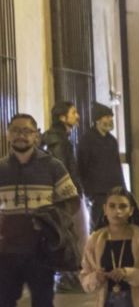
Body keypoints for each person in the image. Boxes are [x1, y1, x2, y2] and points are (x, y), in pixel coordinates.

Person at [0, 114, 81, 307]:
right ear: (9, 135)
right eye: (16, 131)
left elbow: (71, 201)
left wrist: (53, 223)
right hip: (7, 252)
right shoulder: (1, 169)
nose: (21, 135)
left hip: (41, 251)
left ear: (36, 135)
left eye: (27, 131)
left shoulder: (52, 166)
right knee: (2, 305)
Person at [42, 101, 83, 294]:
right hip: (58, 199)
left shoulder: (61, 138)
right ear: (62, 117)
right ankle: (65, 277)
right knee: (63, 235)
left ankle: (66, 276)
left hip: (59, 197)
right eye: (73, 113)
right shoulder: (57, 140)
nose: (78, 116)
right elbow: (60, 170)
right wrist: (68, 194)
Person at [77, 103, 126, 233]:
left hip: (114, 191)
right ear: (97, 120)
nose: (110, 120)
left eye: (111, 117)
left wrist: (123, 188)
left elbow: (117, 166)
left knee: (115, 225)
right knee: (98, 227)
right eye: (107, 117)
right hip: (97, 193)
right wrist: (87, 191)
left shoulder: (112, 141)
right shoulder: (87, 140)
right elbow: (82, 167)